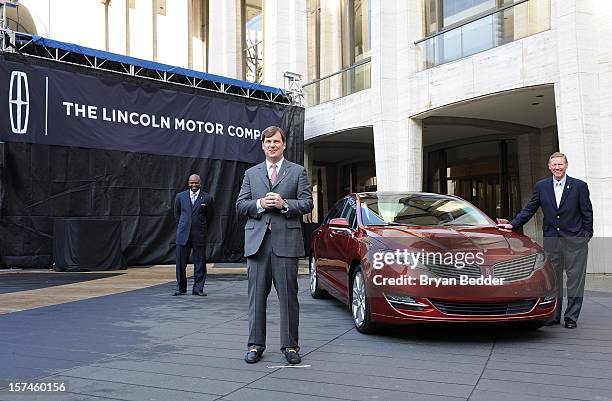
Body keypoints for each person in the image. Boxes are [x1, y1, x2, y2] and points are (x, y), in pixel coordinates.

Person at [236, 126, 313, 365]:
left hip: (286, 243)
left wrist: (284, 203)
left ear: (284, 144)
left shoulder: (298, 172)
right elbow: (241, 205)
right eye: (268, 141)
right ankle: (255, 345)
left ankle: (290, 346)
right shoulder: (251, 173)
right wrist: (260, 203)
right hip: (257, 244)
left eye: (276, 141)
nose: (272, 145)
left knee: (289, 298)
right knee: (256, 298)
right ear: (262, 144)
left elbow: (308, 203)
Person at [497, 152, 593, 329]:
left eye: (560, 165)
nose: (557, 168)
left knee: (575, 280)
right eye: (554, 165)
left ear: (566, 165)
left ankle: (571, 317)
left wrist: (585, 236)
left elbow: (587, 214)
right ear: (549, 167)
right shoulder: (541, 186)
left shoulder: (579, 186)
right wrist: (513, 224)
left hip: (575, 241)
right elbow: (530, 208)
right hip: (552, 241)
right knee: (553, 280)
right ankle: (554, 316)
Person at [173, 174, 213, 297]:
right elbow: (177, 214)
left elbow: (210, 216)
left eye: (196, 183)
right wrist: (184, 226)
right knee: (180, 263)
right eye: (192, 183)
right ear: (188, 183)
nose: (194, 185)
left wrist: (200, 227)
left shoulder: (207, 198)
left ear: (200, 183)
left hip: (199, 235)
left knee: (200, 262)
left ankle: (198, 289)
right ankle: (181, 288)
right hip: (183, 235)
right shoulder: (180, 196)